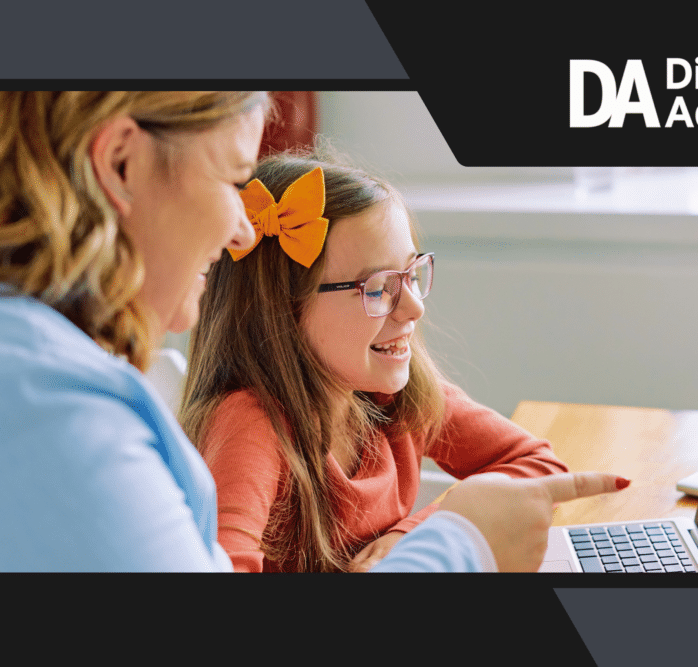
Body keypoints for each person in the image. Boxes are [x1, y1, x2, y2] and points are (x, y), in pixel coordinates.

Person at [0, 91, 625, 572]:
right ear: (122, 161)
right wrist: (452, 545)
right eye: (234, 178)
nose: (243, 228)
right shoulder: (49, 410)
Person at [179, 151, 588, 573]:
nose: (414, 309)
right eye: (378, 289)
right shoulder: (250, 425)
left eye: (411, 276)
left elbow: (538, 467)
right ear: (282, 308)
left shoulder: (397, 394)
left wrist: (416, 535)